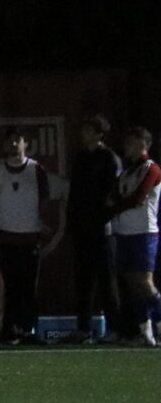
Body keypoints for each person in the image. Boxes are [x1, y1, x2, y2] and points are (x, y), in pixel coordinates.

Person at [0, 128, 66, 343]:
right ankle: (9, 330)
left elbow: (44, 200)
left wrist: (38, 222)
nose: (14, 145)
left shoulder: (36, 169)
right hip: (6, 236)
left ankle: (28, 329)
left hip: (29, 237)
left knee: (28, 287)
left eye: (17, 141)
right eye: (10, 141)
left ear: (25, 145)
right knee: (10, 287)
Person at [108, 127, 161, 346]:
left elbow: (139, 198)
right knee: (131, 282)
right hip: (124, 233)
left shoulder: (151, 168)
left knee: (145, 282)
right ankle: (145, 332)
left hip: (144, 232)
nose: (126, 147)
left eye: (130, 142)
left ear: (142, 144)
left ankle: (159, 326)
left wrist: (116, 205)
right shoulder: (127, 172)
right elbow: (114, 196)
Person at [71, 117, 122, 342]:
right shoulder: (81, 158)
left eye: (88, 130)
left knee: (106, 280)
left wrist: (103, 218)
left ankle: (114, 328)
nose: (83, 133)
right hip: (82, 229)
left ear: (99, 134)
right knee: (84, 281)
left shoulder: (109, 159)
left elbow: (114, 194)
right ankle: (84, 329)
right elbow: (74, 193)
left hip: (102, 229)